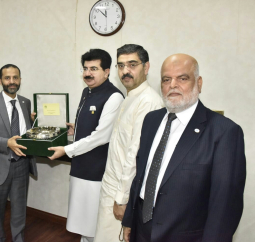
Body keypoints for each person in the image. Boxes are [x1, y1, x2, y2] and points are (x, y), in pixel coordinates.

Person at [122, 53, 246, 242]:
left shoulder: (224, 132)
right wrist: (130, 220)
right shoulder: (151, 120)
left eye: (182, 78)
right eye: (166, 79)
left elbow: (225, 205)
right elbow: (141, 175)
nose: (173, 85)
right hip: (142, 229)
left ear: (199, 83)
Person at [48, 49, 124, 242]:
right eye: (85, 69)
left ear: (107, 71)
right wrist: (77, 127)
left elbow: (101, 136)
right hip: (80, 167)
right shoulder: (86, 92)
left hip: (96, 172)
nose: (88, 73)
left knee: (93, 223)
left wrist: (66, 149)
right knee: (83, 222)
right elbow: (93, 125)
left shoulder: (114, 96)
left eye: (94, 69)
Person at [94, 44, 163, 242]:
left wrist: (122, 199)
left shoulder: (148, 102)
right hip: (111, 185)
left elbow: (135, 155)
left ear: (146, 67)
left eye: (132, 64)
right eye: (121, 65)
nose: (126, 71)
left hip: (122, 194)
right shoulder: (130, 97)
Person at [0, 64, 37, 242]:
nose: (12, 82)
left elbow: (25, 132)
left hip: (21, 165)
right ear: (0, 81)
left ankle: (18, 238)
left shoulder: (26, 102)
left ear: (20, 79)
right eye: (7, 78)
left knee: (19, 209)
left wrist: (35, 124)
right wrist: (7, 143)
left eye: (15, 77)